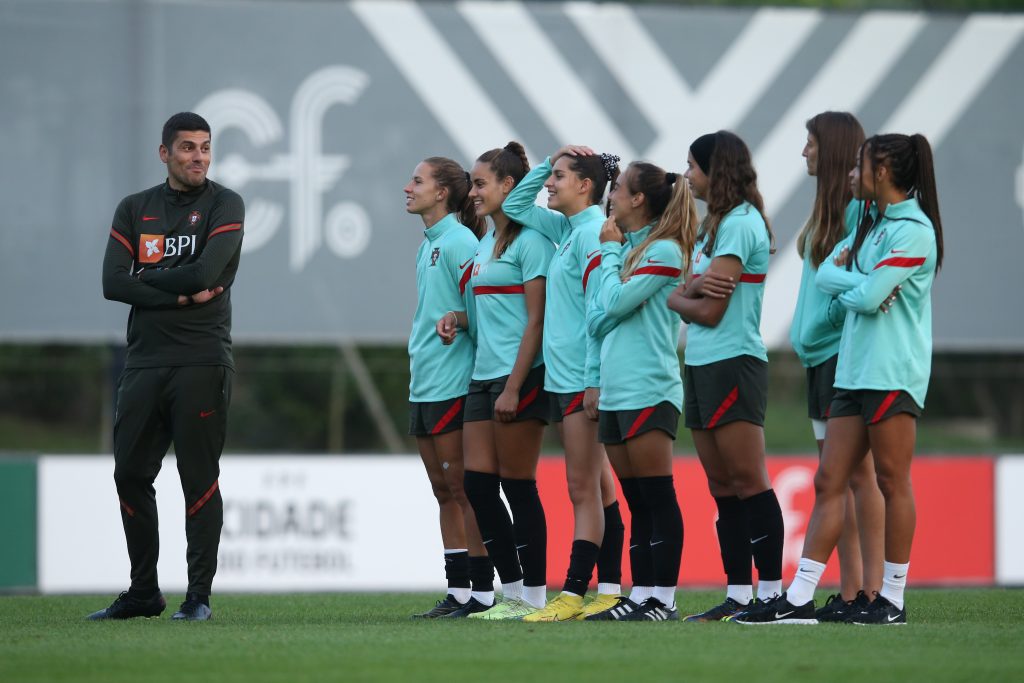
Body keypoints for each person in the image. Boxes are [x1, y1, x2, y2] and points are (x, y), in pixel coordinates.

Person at [735, 133, 942, 625]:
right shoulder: (870, 226)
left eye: (860, 168)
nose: (851, 176)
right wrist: (863, 286)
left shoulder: (914, 230)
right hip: (852, 372)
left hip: (892, 372)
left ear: (884, 173)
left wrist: (862, 289)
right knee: (829, 479)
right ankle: (801, 595)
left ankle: (891, 599)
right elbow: (832, 274)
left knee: (891, 481)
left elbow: (867, 298)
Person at [91, 112, 244, 621]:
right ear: (165, 154)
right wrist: (179, 297)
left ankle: (197, 597)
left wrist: (146, 274)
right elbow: (112, 283)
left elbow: (205, 270)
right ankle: (143, 593)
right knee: (130, 473)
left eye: (204, 148)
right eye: (186, 148)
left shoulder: (226, 203)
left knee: (198, 479)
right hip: (144, 361)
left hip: (201, 359)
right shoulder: (135, 209)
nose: (198, 156)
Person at [502, 146, 628, 623]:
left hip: (581, 380)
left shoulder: (593, 234)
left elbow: (601, 315)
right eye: (549, 176)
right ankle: (610, 588)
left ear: (585, 186)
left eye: (558, 176)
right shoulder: (569, 229)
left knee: (583, 488)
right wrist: (548, 160)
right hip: (567, 379)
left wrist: (593, 381)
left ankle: (573, 595)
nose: (548, 184)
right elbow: (515, 205)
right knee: (599, 487)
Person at [667, 131, 784, 622]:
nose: (687, 175)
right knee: (721, 484)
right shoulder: (714, 224)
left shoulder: (740, 223)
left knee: (748, 478)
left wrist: (673, 294)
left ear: (716, 172)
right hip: (700, 363)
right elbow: (695, 294)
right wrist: (688, 289)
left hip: (734, 360)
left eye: (693, 166)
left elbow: (710, 312)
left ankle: (776, 595)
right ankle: (739, 595)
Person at [438, 142, 554, 620]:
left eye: (481, 182)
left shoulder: (532, 241)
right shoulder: (486, 242)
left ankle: (536, 596)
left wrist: (514, 385)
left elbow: (535, 321)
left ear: (510, 186)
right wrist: (459, 319)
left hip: (517, 377)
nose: (473, 190)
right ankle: (511, 592)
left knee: (519, 486)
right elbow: (494, 311)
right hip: (483, 377)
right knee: (479, 487)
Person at [586, 161, 700, 621]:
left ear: (637, 200)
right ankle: (641, 595)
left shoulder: (667, 252)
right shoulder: (629, 249)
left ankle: (663, 600)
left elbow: (610, 302)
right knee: (637, 503)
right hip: (615, 390)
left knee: (657, 498)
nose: (610, 196)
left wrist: (611, 257)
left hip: (650, 389)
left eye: (618, 190)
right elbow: (596, 319)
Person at [791, 112, 884, 622]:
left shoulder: (854, 212)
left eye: (809, 144)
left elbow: (857, 287)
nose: (803, 152)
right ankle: (849, 593)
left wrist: (822, 321)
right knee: (838, 479)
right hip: (816, 358)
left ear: (829, 150)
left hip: (837, 356)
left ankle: (874, 592)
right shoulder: (828, 211)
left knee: (858, 476)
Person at [404, 156, 494, 618]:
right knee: (443, 490)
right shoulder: (430, 243)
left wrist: (457, 320)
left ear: (441, 193)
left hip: (452, 382)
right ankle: (458, 592)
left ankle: (482, 592)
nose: (408, 187)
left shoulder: (461, 242)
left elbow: (482, 314)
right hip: (425, 382)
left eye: (416, 181)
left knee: (463, 489)